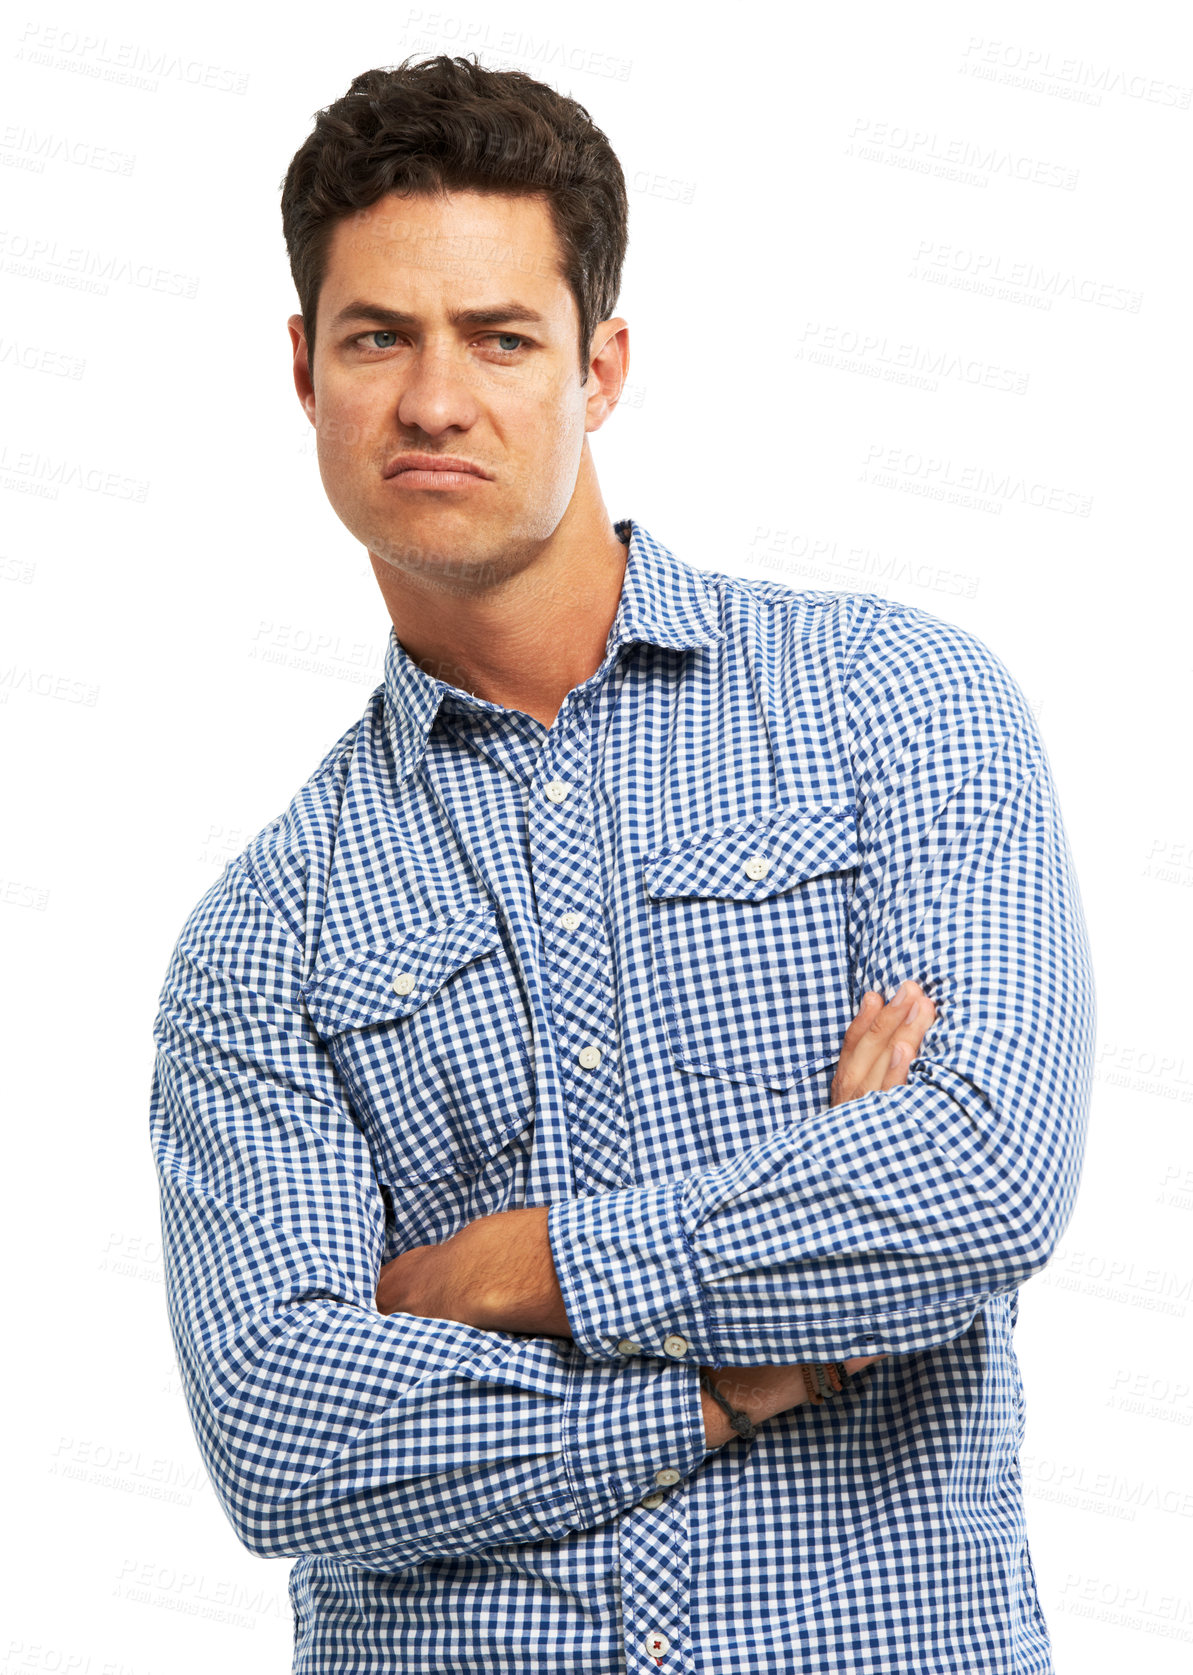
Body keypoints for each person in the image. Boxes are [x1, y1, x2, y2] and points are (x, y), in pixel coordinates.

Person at [148, 54, 1095, 1675]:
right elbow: (286, 1435)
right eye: (380, 337)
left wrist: (514, 1271)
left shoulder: (892, 710)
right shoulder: (258, 938)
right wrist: (746, 1366)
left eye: (499, 338)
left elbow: (976, 1180)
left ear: (600, 367)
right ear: (305, 372)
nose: (435, 400)